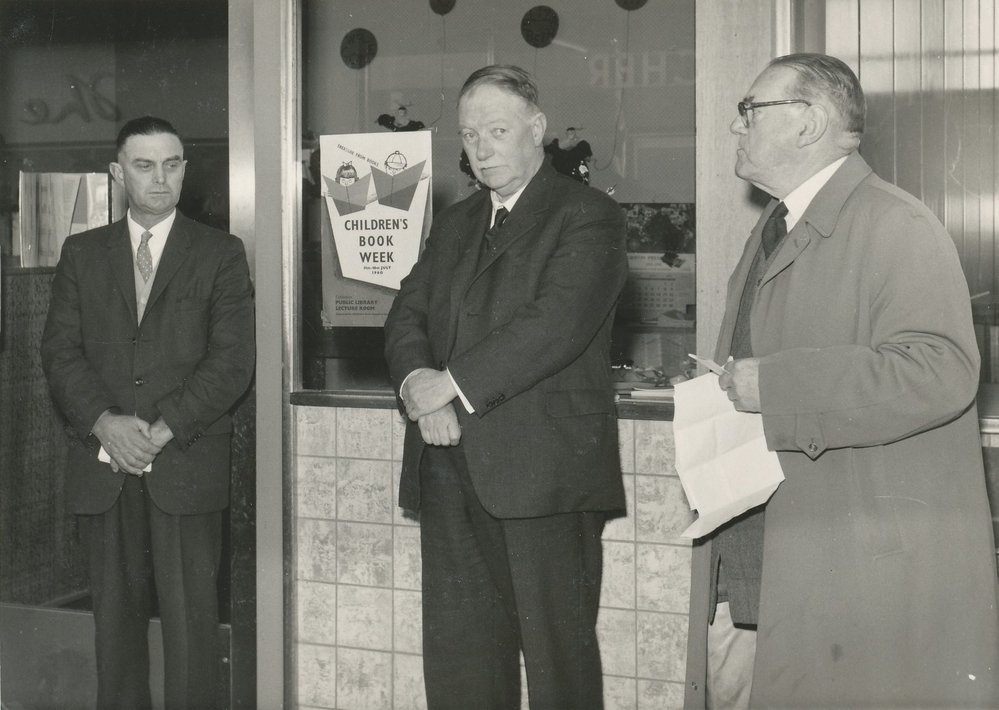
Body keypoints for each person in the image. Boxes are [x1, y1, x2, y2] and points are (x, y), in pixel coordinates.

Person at [705, 53, 999, 708]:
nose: (735, 127)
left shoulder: (896, 224)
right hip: (785, 551)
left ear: (807, 122)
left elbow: (940, 369)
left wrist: (776, 387)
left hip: (860, 567)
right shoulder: (774, 228)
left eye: (749, 110)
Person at [383, 65, 628, 709]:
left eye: (496, 130)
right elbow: (407, 313)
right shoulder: (458, 221)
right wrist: (417, 383)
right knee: (461, 662)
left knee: (557, 666)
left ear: (537, 130)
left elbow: (555, 326)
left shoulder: (588, 216)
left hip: (543, 476)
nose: (481, 148)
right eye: (469, 135)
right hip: (448, 469)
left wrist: (450, 387)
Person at [41, 115, 255, 710]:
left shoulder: (220, 253)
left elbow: (233, 362)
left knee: (192, 628)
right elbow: (59, 353)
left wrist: (158, 432)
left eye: (172, 164)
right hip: (104, 466)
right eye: (144, 165)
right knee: (114, 626)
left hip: (183, 463)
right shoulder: (82, 254)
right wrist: (106, 423)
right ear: (117, 172)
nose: (160, 178)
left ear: (185, 169)